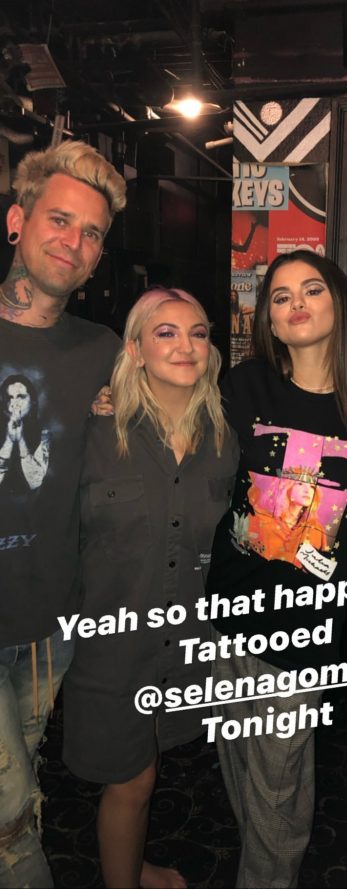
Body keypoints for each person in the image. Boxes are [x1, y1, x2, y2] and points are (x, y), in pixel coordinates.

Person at [206, 249, 347, 888]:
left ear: (338, 301)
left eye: (311, 289)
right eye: (281, 297)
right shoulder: (243, 385)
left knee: (279, 779)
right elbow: (182, 437)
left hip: (303, 624)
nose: (296, 305)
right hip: (230, 604)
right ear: (269, 318)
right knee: (237, 758)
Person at [62, 287, 239, 889]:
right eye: (166, 332)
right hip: (113, 645)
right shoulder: (95, 427)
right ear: (135, 349)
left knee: (146, 768)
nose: (185, 346)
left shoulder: (224, 438)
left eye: (198, 332)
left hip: (185, 642)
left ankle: (132, 867)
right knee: (131, 778)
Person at [0, 139, 126, 888]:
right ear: (17, 221)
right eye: (59, 219)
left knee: (22, 779)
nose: (73, 241)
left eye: (92, 232)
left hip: (51, 626)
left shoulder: (103, 350)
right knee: (11, 815)